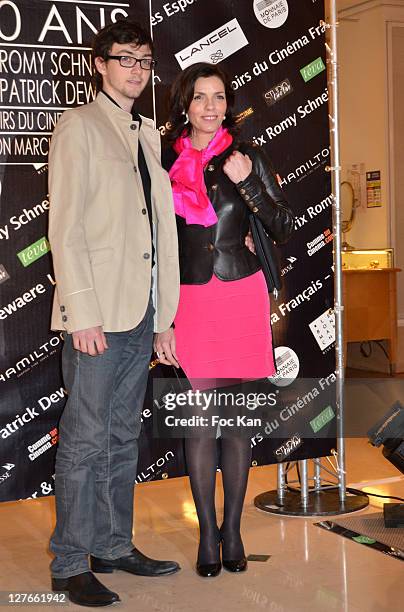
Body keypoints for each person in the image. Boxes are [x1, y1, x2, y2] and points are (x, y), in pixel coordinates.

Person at [47, 20, 180, 607]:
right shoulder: (78, 125)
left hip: (142, 310)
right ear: (100, 63)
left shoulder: (148, 133)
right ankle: (70, 562)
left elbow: (158, 235)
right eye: (124, 58)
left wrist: (165, 316)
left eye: (144, 60)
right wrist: (82, 312)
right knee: (83, 441)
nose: (136, 69)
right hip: (96, 316)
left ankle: (112, 544)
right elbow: (66, 229)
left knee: (124, 435)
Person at [155, 62, 294, 578]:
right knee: (199, 424)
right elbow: (157, 247)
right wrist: (161, 319)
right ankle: (206, 535)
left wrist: (249, 185)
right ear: (184, 105)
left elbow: (281, 224)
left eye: (218, 97)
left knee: (235, 425)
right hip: (189, 302)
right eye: (200, 97)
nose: (211, 107)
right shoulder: (162, 160)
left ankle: (232, 530)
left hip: (241, 294)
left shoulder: (247, 156)